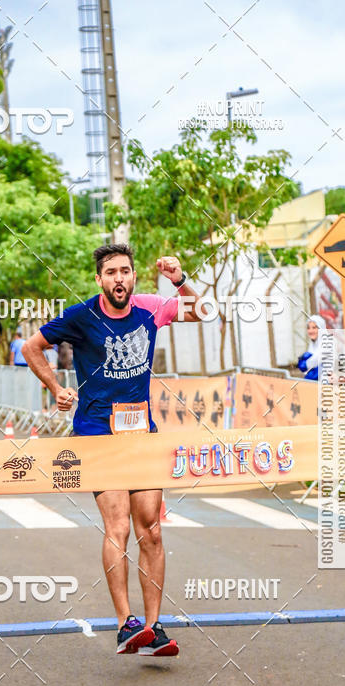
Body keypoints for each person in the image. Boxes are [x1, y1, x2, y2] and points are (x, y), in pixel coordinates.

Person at [23, 243, 203, 657]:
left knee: (152, 532)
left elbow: (200, 311)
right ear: (100, 279)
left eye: (125, 271)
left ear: (134, 275)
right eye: (111, 273)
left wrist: (180, 280)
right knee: (118, 528)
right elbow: (32, 347)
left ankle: (154, 627)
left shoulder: (151, 308)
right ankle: (126, 624)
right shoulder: (82, 316)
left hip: (141, 434)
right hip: (96, 435)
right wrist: (56, 389)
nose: (119, 279)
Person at [297, 315, 326, 380]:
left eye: (314, 328)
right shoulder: (313, 344)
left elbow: (313, 363)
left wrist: (305, 363)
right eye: (308, 328)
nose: (310, 331)